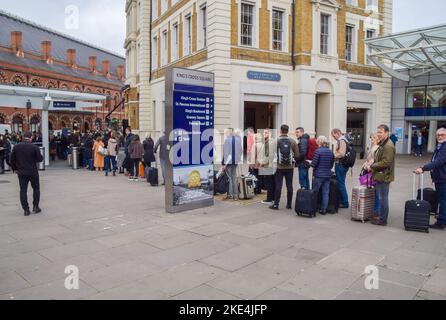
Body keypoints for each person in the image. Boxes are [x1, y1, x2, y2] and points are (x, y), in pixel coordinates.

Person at [415, 127, 446, 230]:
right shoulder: (440, 146)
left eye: (442, 135)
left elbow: (438, 162)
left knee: (443, 201)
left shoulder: (444, 147)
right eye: (438, 135)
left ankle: (441, 222)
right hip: (440, 177)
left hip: (443, 178)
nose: (440, 137)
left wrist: (423, 168)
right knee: (443, 200)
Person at [366, 124, 395, 226]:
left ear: (387, 133)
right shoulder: (383, 143)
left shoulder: (388, 146)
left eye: (380, 132)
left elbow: (386, 162)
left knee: (383, 198)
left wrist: (373, 166)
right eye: (377, 132)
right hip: (380, 175)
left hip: (384, 176)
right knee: (381, 197)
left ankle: (383, 220)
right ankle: (381, 217)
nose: (378, 134)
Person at [9, 132, 44, 216]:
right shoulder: (34, 147)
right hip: (32, 171)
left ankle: (26, 210)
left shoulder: (16, 147)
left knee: (23, 191)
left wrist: (15, 169)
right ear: (30, 137)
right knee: (36, 188)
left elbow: (11, 160)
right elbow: (40, 159)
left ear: (22, 137)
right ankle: (35, 206)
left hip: (21, 172)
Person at [270, 125, 300, 211]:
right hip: (290, 167)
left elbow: (271, 155)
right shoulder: (293, 141)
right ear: (287, 131)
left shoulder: (275, 141)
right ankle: (289, 205)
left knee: (278, 186)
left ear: (280, 131)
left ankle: (276, 204)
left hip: (279, 167)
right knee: (289, 185)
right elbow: (297, 155)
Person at [311, 136, 335, 215]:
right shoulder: (330, 152)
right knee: (325, 192)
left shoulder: (318, 151)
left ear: (319, 142)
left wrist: (310, 163)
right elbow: (331, 164)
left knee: (315, 191)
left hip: (318, 175)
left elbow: (314, 164)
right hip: (327, 175)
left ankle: (313, 208)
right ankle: (323, 209)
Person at [331, 128, 351, 209]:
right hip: (343, 164)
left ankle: (344, 202)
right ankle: (342, 200)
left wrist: (333, 155)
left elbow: (342, 154)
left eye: (334, 135)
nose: (333, 137)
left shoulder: (342, 140)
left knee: (340, 183)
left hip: (340, 164)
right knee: (341, 182)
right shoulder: (344, 140)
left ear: (338, 133)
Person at [222, 128, 243, 201]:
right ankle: (236, 196)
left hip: (229, 162)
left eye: (226, 132)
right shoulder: (238, 140)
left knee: (229, 178)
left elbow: (225, 153)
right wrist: (238, 158)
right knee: (234, 177)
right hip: (236, 161)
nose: (225, 133)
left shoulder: (227, 140)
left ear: (229, 133)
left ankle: (230, 195)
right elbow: (241, 151)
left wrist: (223, 164)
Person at [363, 133, 380, 217]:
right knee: (375, 191)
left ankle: (376, 211)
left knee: (376, 192)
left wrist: (367, 165)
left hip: (373, 171)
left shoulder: (376, 148)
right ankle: (375, 210)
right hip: (372, 171)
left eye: (372, 139)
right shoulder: (374, 147)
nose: (371, 140)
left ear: (376, 139)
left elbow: (373, 160)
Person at [258, 129, 276, 205]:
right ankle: (273, 198)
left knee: (269, 183)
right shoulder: (270, 141)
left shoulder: (269, 142)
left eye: (266, 132)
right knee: (272, 182)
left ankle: (269, 199)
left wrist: (261, 163)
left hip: (268, 165)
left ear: (270, 133)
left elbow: (268, 155)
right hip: (271, 165)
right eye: (264, 132)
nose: (264, 134)